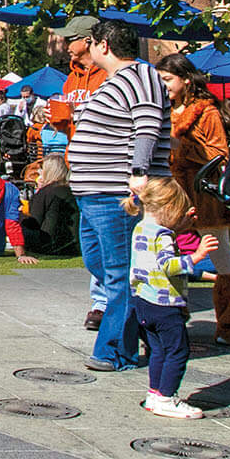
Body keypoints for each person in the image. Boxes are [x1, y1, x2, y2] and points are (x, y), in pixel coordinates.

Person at [69, 21, 169, 372]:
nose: (87, 49)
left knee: (118, 273)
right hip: (94, 193)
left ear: (104, 46)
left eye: (90, 44)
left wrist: (139, 173)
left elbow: (147, 125)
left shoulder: (142, 77)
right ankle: (145, 326)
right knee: (98, 264)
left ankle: (113, 351)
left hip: (116, 193)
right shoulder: (119, 81)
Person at [159, 53, 230, 345]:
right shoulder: (164, 110)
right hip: (171, 194)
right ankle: (170, 317)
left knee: (221, 257)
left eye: (168, 79)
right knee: (165, 254)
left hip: (203, 193)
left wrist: (181, 146)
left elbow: (218, 155)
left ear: (186, 79)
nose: (164, 86)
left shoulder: (206, 112)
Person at [128, 177, 201, 419]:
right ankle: (168, 397)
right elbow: (169, 265)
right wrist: (197, 256)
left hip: (143, 300)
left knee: (157, 349)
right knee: (178, 351)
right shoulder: (164, 236)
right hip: (164, 303)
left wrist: (181, 224)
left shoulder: (140, 228)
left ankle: (155, 394)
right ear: (168, 208)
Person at [28, 155, 79, 258]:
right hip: (73, 245)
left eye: (42, 169)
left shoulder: (46, 192)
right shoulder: (72, 191)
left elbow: (34, 221)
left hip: (49, 245)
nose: (39, 172)